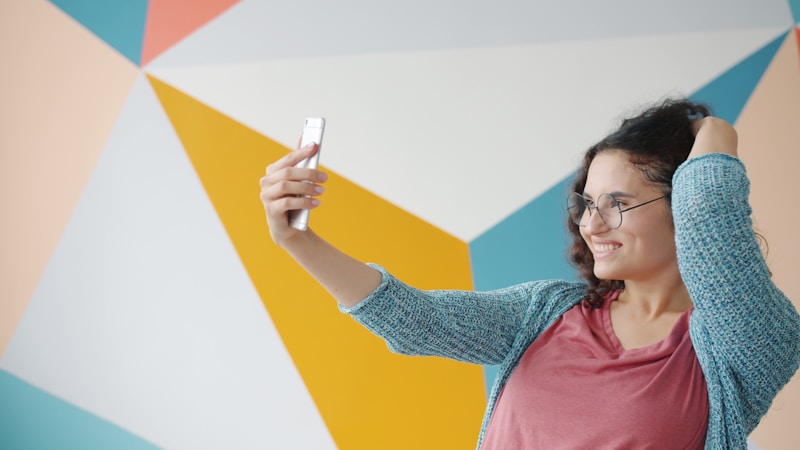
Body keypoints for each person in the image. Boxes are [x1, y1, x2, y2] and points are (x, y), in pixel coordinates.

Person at [259, 98, 800, 449]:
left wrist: (711, 128)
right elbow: (414, 319)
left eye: (618, 202)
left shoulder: (741, 348)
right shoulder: (547, 312)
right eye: (588, 202)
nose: (593, 223)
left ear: (680, 203)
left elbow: (708, 218)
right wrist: (296, 238)